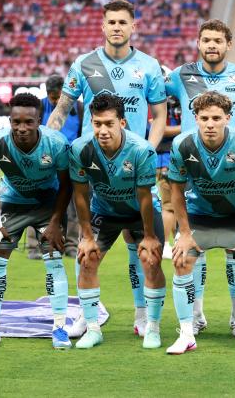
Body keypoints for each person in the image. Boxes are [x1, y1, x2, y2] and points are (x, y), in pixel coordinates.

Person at [46, 0, 168, 339]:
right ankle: (87, 317)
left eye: (122, 22)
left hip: (135, 167)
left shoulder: (148, 66)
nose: (116, 27)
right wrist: (48, 141)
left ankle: (143, 315)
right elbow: (62, 110)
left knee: (140, 245)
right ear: (103, 26)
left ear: (133, 27)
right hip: (94, 170)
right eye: (111, 22)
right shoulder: (84, 64)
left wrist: (147, 150)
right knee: (88, 245)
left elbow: (159, 115)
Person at [164, 19, 235, 338]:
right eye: (206, 40)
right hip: (191, 164)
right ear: (198, 43)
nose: (212, 45)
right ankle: (195, 316)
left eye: (218, 40)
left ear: (228, 45)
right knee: (193, 248)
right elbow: (153, 96)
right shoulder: (180, 74)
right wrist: (167, 131)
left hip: (232, 164)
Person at [0, 93, 72, 349]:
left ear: (39, 119)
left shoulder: (56, 144)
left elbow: (66, 185)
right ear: (10, 120)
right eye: (16, 122)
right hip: (13, 205)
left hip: (46, 205)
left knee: (53, 258)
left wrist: (55, 222)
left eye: (28, 122)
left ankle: (59, 327)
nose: (22, 128)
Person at [69, 93, 166, 349]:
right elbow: (79, 195)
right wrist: (87, 236)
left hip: (140, 213)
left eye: (109, 123)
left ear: (121, 123)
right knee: (87, 258)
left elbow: (145, 197)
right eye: (97, 123)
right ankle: (92, 328)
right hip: (104, 211)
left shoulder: (141, 150)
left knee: (150, 260)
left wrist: (148, 236)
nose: (102, 130)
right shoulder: (80, 149)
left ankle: (151, 327)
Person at [25, 74, 83, 260]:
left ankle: (71, 246)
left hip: (72, 164)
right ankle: (34, 246)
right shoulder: (38, 108)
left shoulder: (80, 109)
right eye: (53, 98)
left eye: (59, 97)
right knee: (38, 205)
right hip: (44, 164)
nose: (57, 101)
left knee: (74, 207)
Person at [154, 91, 181, 260]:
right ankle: (163, 245)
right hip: (166, 158)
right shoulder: (162, 102)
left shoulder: (162, 100)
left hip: (166, 157)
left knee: (176, 204)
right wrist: (187, 127)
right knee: (170, 205)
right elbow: (159, 128)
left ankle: (177, 240)